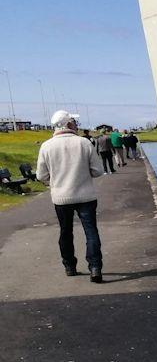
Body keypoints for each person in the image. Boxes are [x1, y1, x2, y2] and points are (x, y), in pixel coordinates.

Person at [36, 110, 105, 283]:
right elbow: (98, 171)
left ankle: (69, 266)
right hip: (86, 196)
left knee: (65, 231)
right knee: (91, 231)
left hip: (61, 197)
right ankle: (95, 267)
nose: (76, 123)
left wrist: (54, 179)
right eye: (73, 121)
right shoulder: (84, 143)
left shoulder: (46, 146)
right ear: (67, 124)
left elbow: (41, 176)